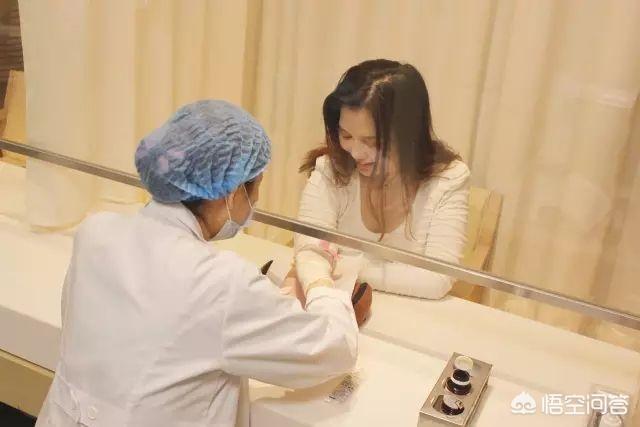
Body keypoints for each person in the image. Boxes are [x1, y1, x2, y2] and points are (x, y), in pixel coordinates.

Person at [36, 100, 358, 427]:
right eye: (256, 186)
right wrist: (320, 283)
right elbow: (333, 349)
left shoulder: (96, 232)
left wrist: (268, 303)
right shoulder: (221, 282)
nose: (256, 200)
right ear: (232, 192)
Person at [291, 59, 470, 301]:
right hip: (335, 304)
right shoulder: (332, 168)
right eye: (346, 136)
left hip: (410, 314)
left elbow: (438, 279)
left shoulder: (448, 179)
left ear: (409, 136)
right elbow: (309, 249)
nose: (355, 153)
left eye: (372, 141)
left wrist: (342, 267)